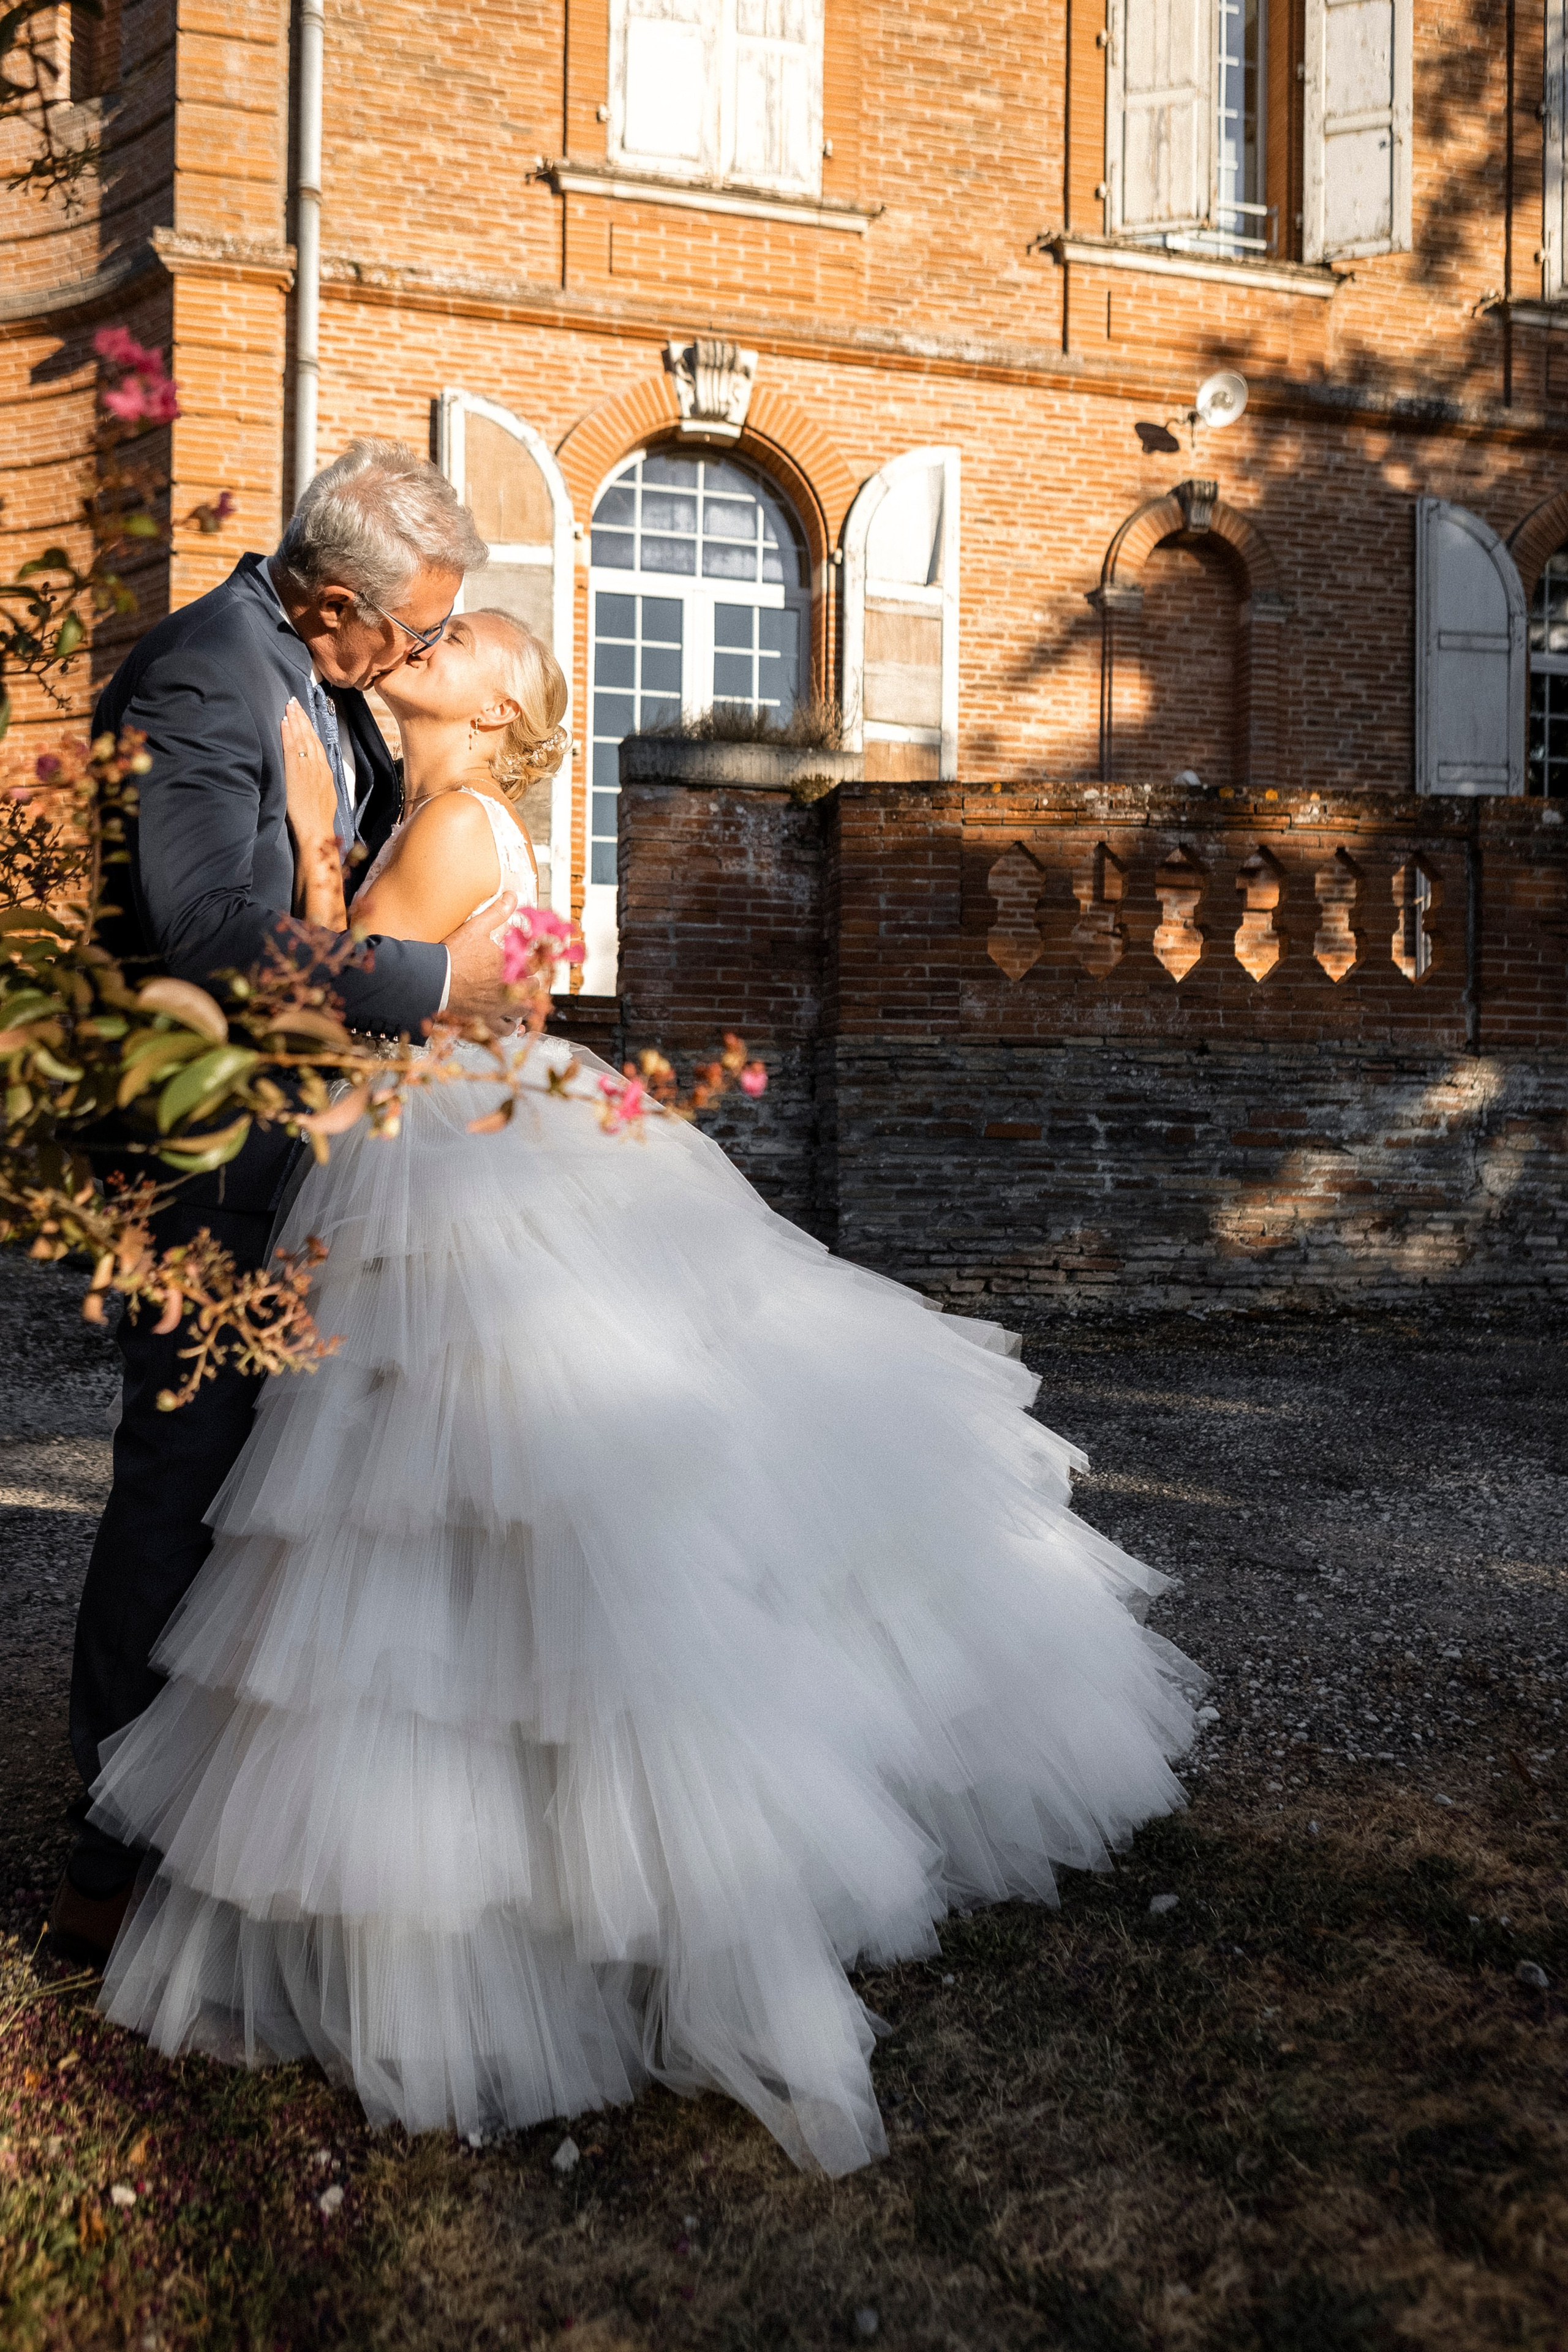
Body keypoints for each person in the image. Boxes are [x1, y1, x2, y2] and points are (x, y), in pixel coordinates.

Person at [88, 608, 1203, 2176]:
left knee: (442, 1498)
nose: (435, 633)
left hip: (438, 1174)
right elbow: (469, 998)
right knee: (486, 1501)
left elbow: (324, 998)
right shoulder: (471, 820)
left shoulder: (452, 823)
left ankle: (515, 1891)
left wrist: (298, 837)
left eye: (467, 637)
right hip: (489, 1137)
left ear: (496, 708)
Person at [53, 442, 518, 1964]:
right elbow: (203, 925)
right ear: (334, 607)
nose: (422, 658)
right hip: (209, 1159)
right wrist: (440, 983)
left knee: (275, 1503)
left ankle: (229, 1818)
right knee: (178, 1491)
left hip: (311, 1161)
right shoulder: (207, 674)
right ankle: (108, 1852)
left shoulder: (321, 684)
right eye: (414, 632)